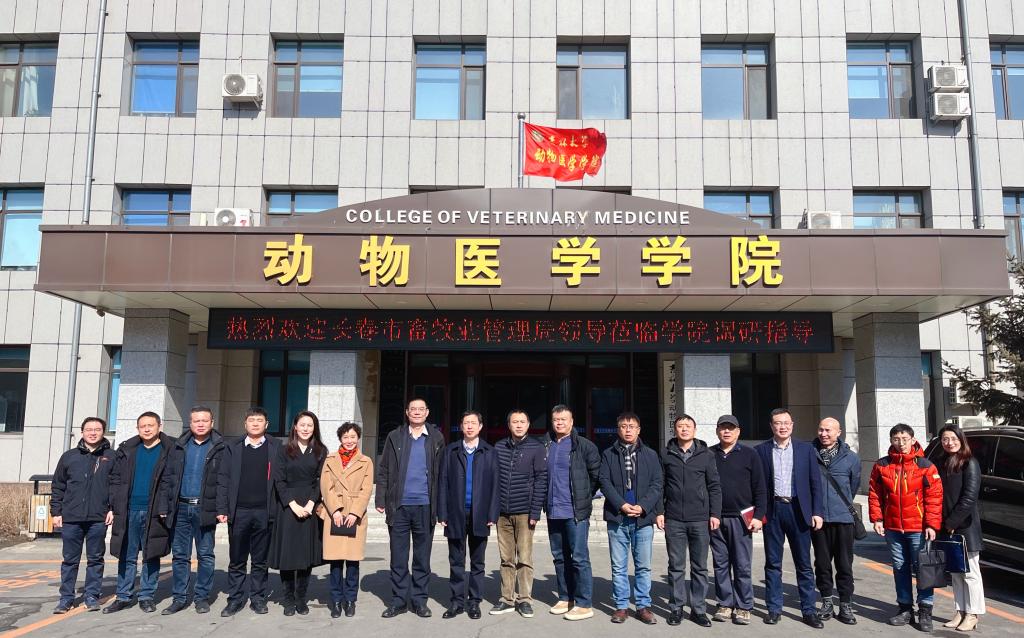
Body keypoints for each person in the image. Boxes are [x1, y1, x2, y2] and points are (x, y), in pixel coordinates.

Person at [375, 397, 446, 618]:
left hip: (425, 506)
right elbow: (384, 469)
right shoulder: (395, 436)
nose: (416, 412)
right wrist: (380, 499)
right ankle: (398, 601)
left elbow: (442, 473)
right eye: (413, 409)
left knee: (422, 558)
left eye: (420, 409)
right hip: (399, 507)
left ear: (427, 412)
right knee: (398, 557)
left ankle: (419, 601)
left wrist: (441, 507)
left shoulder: (436, 437)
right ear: (407, 412)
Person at [869, 423, 943, 633]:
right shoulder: (882, 465)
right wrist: (877, 519)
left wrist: (931, 524)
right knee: (900, 568)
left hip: (918, 528)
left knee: (923, 569)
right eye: (896, 439)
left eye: (905, 439)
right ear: (891, 441)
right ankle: (905, 608)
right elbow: (874, 493)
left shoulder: (926, 466)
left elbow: (934, 497)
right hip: (893, 528)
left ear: (913, 440)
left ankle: (925, 610)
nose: (901, 443)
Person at [755, 408, 825, 628]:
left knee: (803, 564)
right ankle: (774, 609)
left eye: (786, 423)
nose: (782, 427)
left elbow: (815, 483)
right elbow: (757, 485)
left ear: (792, 425)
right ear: (771, 426)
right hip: (773, 510)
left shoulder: (806, 449)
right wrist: (758, 514)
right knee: (773, 563)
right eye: (778, 423)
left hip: (799, 510)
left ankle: (809, 610)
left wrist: (817, 512)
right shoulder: (761, 450)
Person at [158, 405, 226, 615]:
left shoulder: (221, 447)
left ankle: (202, 597)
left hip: (205, 509)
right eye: (196, 420)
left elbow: (224, 481)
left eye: (205, 420)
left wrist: (221, 508)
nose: (200, 424)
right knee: (180, 555)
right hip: (180, 508)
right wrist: (164, 505)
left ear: (212, 423)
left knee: (205, 555)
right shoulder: (178, 446)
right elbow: (167, 478)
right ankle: (179, 598)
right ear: (190, 423)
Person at [104, 412, 174, 614]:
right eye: (142, 426)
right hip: (128, 511)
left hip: (154, 511)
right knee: (127, 554)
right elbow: (115, 479)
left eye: (151, 425)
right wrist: (113, 506)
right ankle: (123, 596)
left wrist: (165, 506)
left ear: (159, 426)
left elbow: (171, 481)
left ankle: (146, 596)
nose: (147, 429)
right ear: (137, 428)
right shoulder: (127, 450)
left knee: (151, 554)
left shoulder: (169, 450)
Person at [217, 407, 282, 617]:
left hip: (264, 511)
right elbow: (223, 478)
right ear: (245, 424)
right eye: (251, 420)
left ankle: (258, 599)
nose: (255, 423)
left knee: (260, 560)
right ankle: (235, 599)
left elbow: (281, 479)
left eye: (259, 420)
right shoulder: (233, 446)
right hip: (239, 512)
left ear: (266, 424)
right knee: (237, 560)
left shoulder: (275, 446)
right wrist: (222, 508)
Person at [657, 413, 720, 627]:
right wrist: (659, 511)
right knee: (676, 566)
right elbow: (660, 485)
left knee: (700, 567)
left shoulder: (706, 455)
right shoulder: (666, 454)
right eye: (680, 426)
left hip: (700, 519)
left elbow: (714, 486)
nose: (684, 429)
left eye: (688, 426)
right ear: (675, 430)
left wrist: (715, 514)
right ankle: (676, 608)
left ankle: (698, 610)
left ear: (694, 430)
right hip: (674, 518)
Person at [601, 412, 663, 625]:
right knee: (618, 566)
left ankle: (643, 606)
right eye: (623, 426)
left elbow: (657, 483)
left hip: (642, 519)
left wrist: (643, 506)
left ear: (639, 430)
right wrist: (621, 504)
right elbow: (604, 481)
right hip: (617, 517)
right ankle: (621, 606)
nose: (628, 430)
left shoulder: (651, 455)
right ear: (618, 429)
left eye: (632, 426)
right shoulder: (608, 454)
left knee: (643, 566)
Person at [438, 411, 501, 620]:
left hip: (480, 514)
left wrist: (492, 513)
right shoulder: (451, 451)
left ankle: (474, 602)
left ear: (480, 426)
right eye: (466, 423)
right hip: (455, 513)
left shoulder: (489, 452)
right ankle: (456, 602)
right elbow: (443, 483)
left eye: (474, 423)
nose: (470, 426)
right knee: (456, 561)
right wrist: (442, 512)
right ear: (461, 426)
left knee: (477, 563)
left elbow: (495, 486)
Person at [50, 417, 115, 614]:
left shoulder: (111, 456)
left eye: (97, 429)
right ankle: (66, 599)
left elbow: (116, 485)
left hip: (98, 517)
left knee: (95, 559)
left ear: (103, 432)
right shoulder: (69, 457)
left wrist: (112, 508)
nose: (93, 433)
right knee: (70, 560)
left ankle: (92, 596)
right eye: (89, 429)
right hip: (71, 517)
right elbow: (58, 485)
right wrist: (56, 512)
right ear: (82, 432)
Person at [709, 415, 767, 626]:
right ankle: (724, 603)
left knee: (742, 565)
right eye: (723, 428)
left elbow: (760, 488)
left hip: (742, 519)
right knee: (720, 563)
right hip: (716, 518)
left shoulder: (750, 454)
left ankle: (744, 606)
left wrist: (759, 516)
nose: (727, 431)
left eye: (731, 428)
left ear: (738, 431)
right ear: (717, 431)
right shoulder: (709, 454)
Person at [545, 404, 601, 621]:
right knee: (559, 557)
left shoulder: (584, 446)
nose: (559, 423)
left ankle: (584, 603)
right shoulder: (546, 444)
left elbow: (595, 476)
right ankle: (565, 597)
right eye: (556, 420)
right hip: (553, 510)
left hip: (575, 512)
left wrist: (584, 497)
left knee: (579, 558)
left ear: (571, 422)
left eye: (563, 419)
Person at [269, 410, 327, 616]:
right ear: (295, 426)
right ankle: (288, 599)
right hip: (288, 507)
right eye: (302, 424)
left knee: (305, 555)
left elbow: (321, 480)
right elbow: (279, 480)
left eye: (310, 425)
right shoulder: (283, 450)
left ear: (314, 428)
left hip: (310, 505)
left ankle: (301, 598)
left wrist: (311, 503)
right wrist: (292, 504)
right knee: (288, 554)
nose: (306, 428)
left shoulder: (320, 450)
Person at [490, 409, 548, 618]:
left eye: (523, 421)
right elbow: (493, 479)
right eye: (515, 422)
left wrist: (535, 511)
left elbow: (541, 480)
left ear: (528, 424)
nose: (519, 425)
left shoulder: (537, 447)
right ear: (509, 425)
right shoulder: (499, 447)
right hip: (502, 513)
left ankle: (524, 599)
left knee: (524, 558)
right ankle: (506, 598)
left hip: (525, 512)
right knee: (506, 558)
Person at [320, 422, 374, 618]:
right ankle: (335, 600)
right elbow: (326, 486)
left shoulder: (366, 461)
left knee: (352, 562)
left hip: (354, 515)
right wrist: (335, 510)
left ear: (358, 438)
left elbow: (366, 489)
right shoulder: (330, 459)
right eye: (345, 437)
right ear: (340, 439)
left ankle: (350, 600)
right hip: (334, 514)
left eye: (353, 437)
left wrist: (354, 513)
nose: (349, 440)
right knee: (335, 562)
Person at [811, 417, 861, 625]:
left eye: (828, 430)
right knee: (822, 564)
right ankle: (826, 601)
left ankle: (846, 604)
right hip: (819, 519)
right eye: (821, 429)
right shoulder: (810, 454)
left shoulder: (851, 458)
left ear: (838, 432)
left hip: (843, 519)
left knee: (844, 565)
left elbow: (854, 485)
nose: (823, 434)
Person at [936, 425, 985, 632]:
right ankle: (960, 611)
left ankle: (973, 614)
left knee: (971, 573)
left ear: (961, 439)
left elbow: (969, 498)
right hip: (947, 526)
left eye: (953, 438)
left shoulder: (969, 463)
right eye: (945, 439)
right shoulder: (941, 462)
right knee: (956, 572)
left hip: (965, 527)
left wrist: (951, 523)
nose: (949, 443)